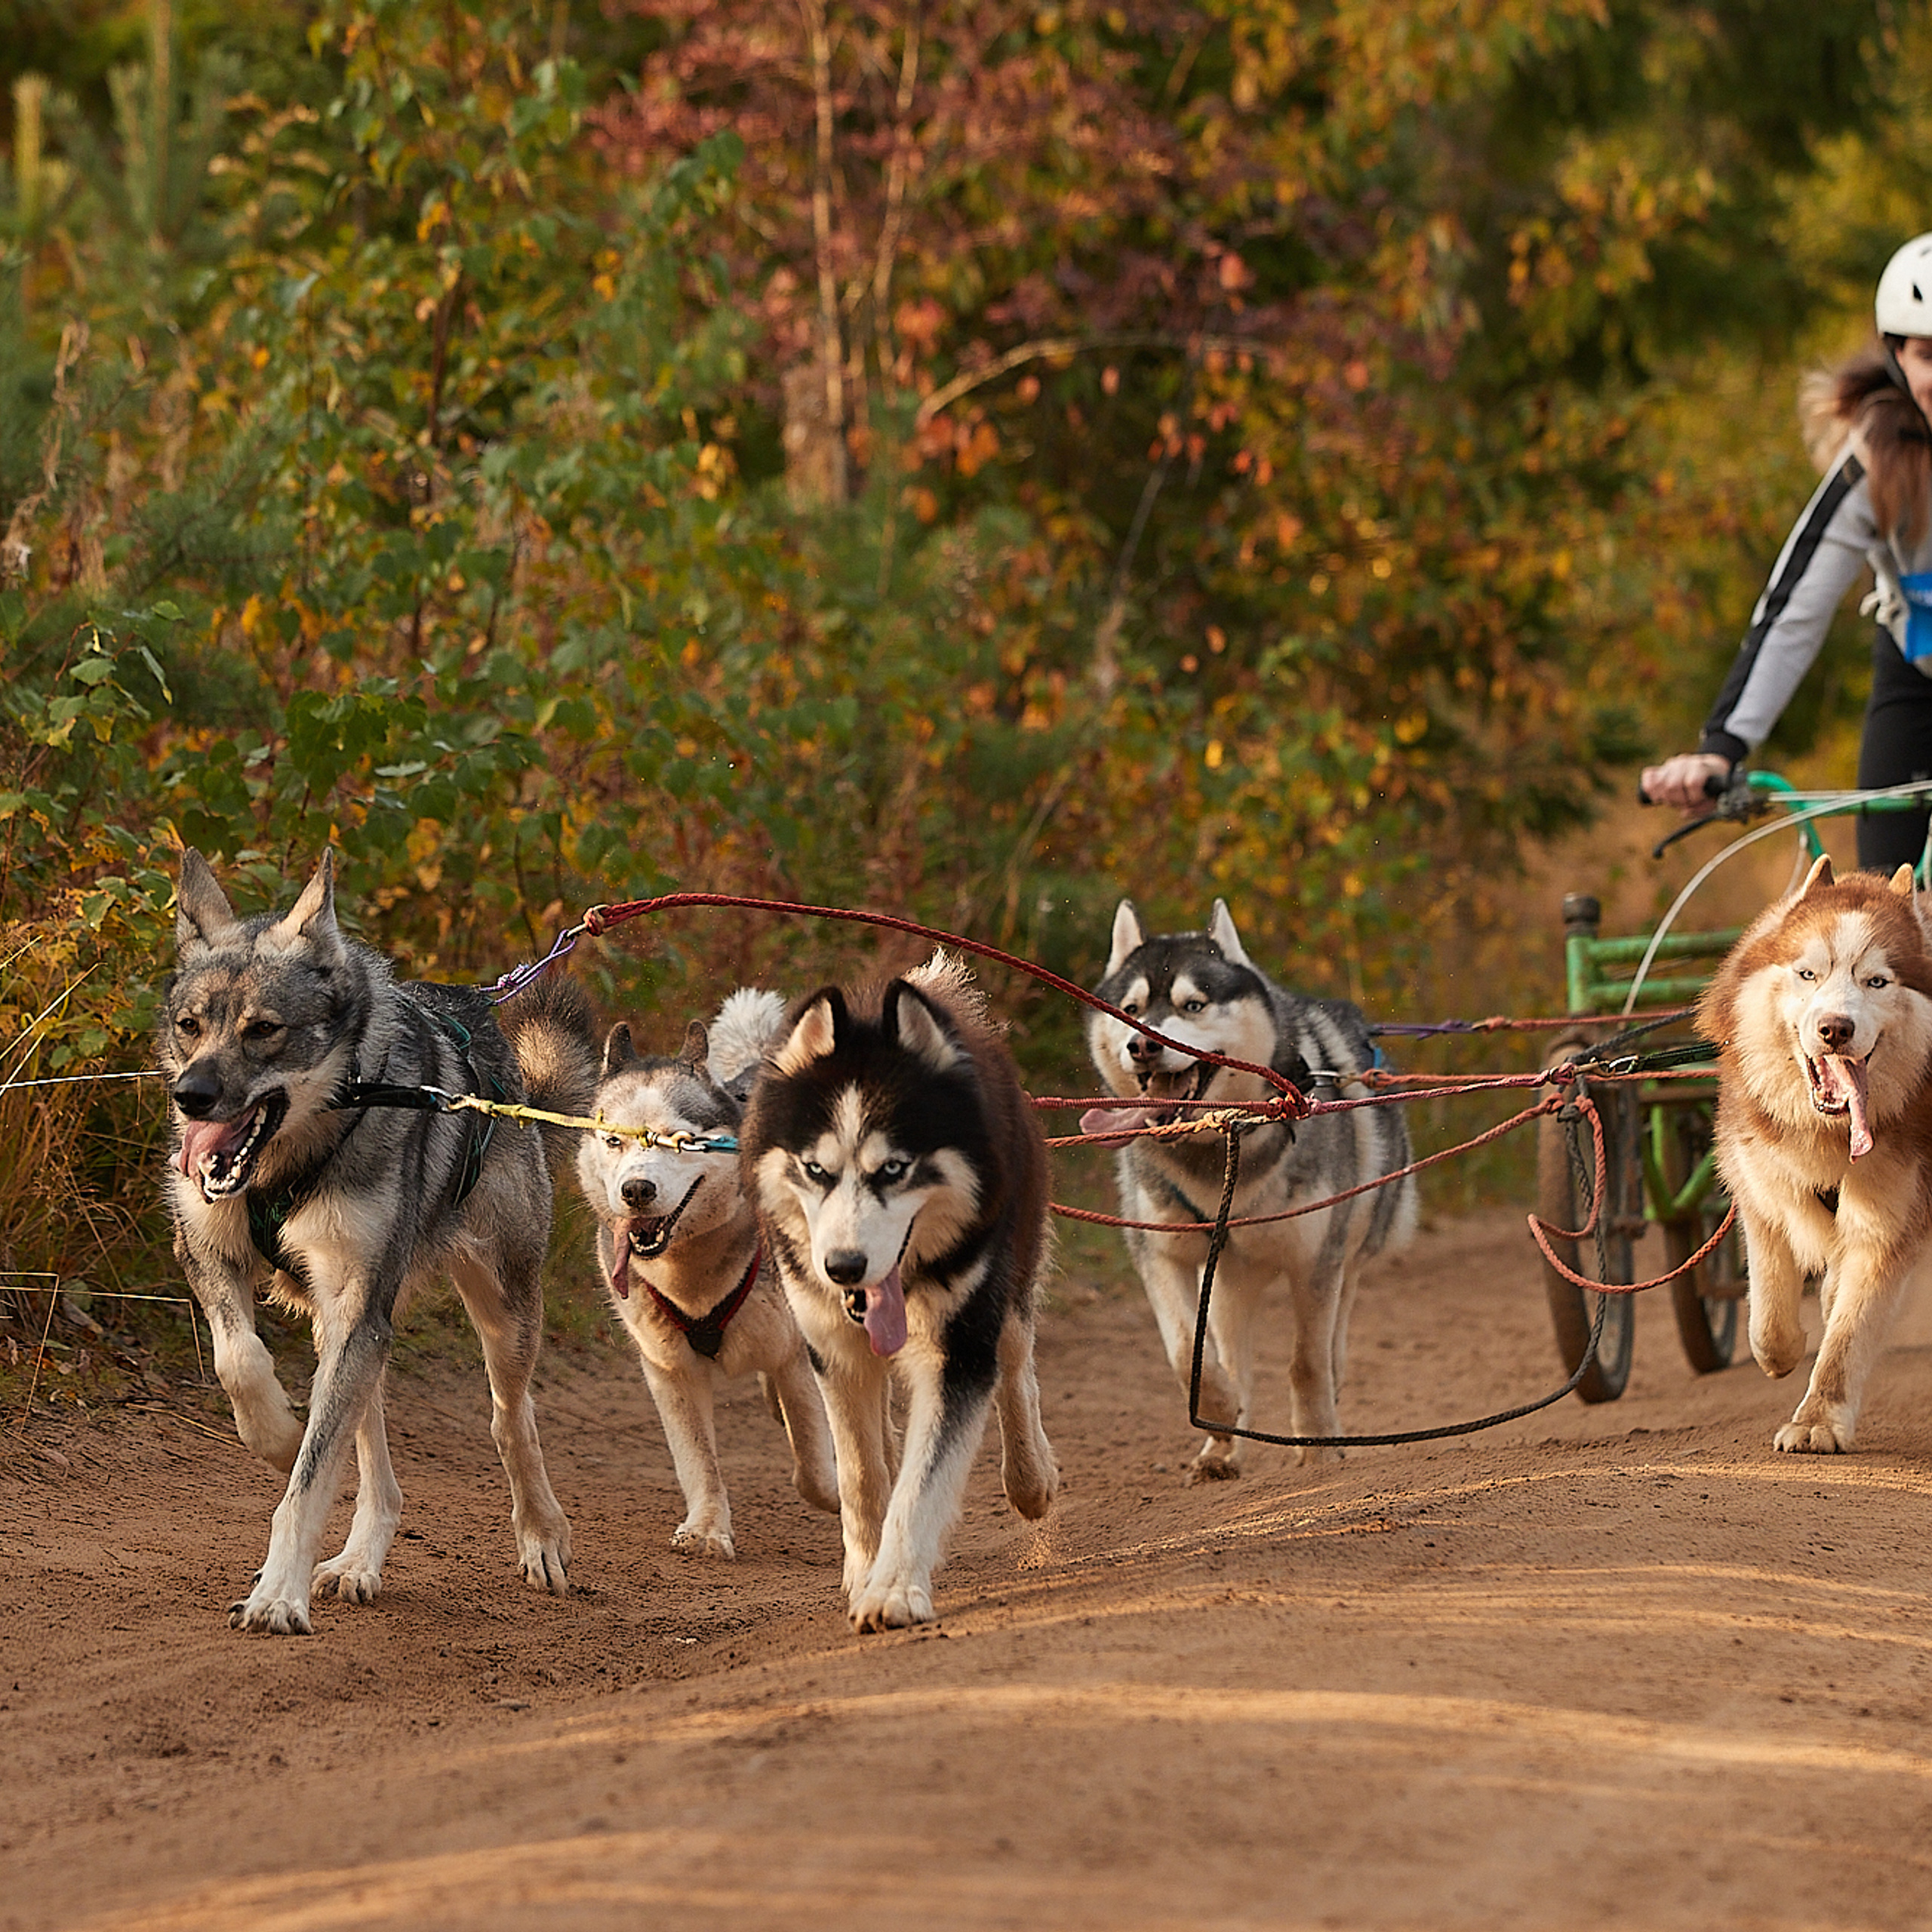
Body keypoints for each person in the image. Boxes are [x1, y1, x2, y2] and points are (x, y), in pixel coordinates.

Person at [1642, 232, 1932, 871]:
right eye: (1929, 354)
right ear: (1896, 358)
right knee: (1889, 912)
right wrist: (1722, 748)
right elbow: (1796, 606)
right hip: (1917, 681)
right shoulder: (1872, 464)